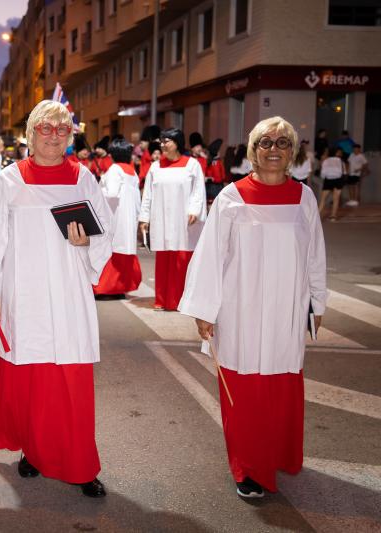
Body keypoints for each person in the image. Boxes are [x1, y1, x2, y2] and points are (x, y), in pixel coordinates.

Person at [0, 100, 114, 499]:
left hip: (68, 292)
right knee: (30, 376)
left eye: (61, 130)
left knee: (71, 379)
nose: (53, 136)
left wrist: (88, 243)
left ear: (70, 136)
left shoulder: (84, 178)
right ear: (30, 135)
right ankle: (33, 450)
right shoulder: (11, 179)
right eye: (45, 129)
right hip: (23, 292)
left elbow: (105, 232)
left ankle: (82, 465)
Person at [179, 116, 326, 499]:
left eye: (281, 142)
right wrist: (204, 309)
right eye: (265, 142)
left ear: (292, 151)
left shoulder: (304, 197)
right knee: (243, 389)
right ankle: (246, 467)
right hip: (240, 309)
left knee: (281, 384)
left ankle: (277, 453)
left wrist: (317, 300)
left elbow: (315, 254)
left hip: (286, 310)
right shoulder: (232, 196)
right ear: (252, 150)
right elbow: (211, 255)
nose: (273, 149)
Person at [138, 127, 206, 311]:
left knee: (181, 259)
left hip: (184, 219)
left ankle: (180, 301)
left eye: (167, 141)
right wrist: (144, 217)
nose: (163, 145)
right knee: (163, 259)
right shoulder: (156, 166)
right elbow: (148, 195)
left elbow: (198, 190)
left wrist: (195, 209)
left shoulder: (192, 164)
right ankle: (161, 300)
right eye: (161, 141)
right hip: (161, 218)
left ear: (178, 143)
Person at [94, 139, 142, 299]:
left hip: (114, 216)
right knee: (122, 252)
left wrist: (99, 189)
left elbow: (112, 193)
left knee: (108, 252)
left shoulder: (114, 169)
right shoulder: (131, 171)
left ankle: (106, 288)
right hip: (127, 218)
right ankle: (120, 287)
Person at [319, 147, 346, 221]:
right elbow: (344, 172)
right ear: (336, 153)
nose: (340, 153)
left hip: (328, 180)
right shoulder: (340, 161)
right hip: (338, 180)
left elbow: (323, 173)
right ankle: (333, 216)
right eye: (339, 152)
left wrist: (325, 177)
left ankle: (317, 216)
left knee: (323, 199)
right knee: (336, 199)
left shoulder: (326, 160)